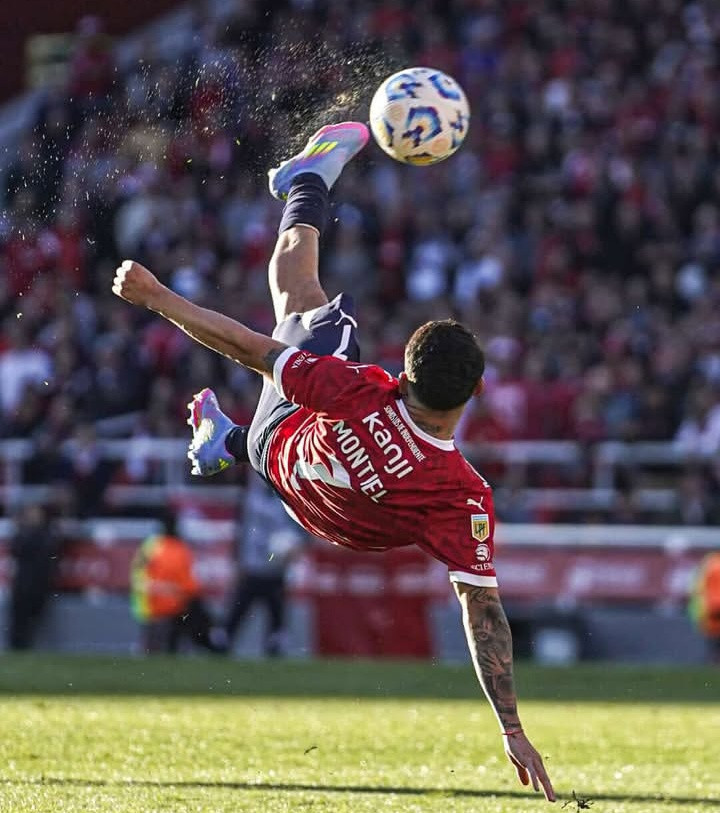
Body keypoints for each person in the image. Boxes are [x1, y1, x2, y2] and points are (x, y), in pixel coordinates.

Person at [112, 122, 555, 802]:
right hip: (306, 500)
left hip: (281, 449)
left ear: (402, 377)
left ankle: (306, 182)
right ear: (474, 394)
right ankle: (220, 440)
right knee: (298, 309)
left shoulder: (363, 392)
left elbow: (249, 347)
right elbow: (483, 612)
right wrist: (510, 728)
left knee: (300, 298)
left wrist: (157, 298)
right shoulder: (462, 496)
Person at [226, 471, 304, 657]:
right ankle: (224, 641)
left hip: (275, 569)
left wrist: (295, 546)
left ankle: (275, 644)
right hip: (252, 567)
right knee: (238, 614)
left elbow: (299, 532)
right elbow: (241, 531)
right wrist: (237, 560)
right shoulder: (250, 497)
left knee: (276, 617)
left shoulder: (287, 500)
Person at [130, 512, 226, 654]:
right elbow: (191, 587)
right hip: (173, 609)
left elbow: (136, 575)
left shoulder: (149, 547)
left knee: (153, 649)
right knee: (193, 616)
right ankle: (213, 644)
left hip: (147, 609)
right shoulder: (180, 550)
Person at [7, 503, 59, 650]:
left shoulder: (47, 533)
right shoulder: (22, 533)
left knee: (34, 617)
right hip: (23, 582)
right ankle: (17, 645)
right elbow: (16, 550)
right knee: (19, 618)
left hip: (39, 582)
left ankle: (26, 645)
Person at [689, 550, 720, 664]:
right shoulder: (713, 564)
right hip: (712, 609)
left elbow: (698, 588)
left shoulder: (709, 563)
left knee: (714, 643)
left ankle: (714, 664)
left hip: (710, 608)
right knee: (715, 642)